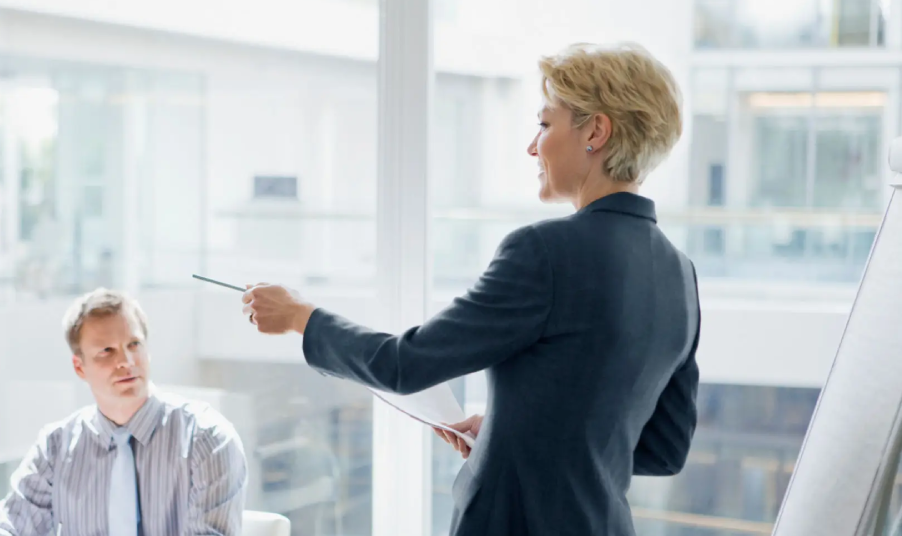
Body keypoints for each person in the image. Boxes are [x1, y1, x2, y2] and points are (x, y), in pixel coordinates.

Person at [242, 42, 700, 536]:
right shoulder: (680, 273)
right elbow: (664, 450)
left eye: (545, 124)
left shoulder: (545, 251)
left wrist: (300, 317)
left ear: (596, 131)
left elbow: (405, 363)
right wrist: (511, 435)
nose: (532, 146)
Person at [0, 288, 247, 536]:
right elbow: (10, 526)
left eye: (134, 345)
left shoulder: (207, 439)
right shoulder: (55, 447)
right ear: (80, 367)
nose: (126, 362)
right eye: (107, 351)